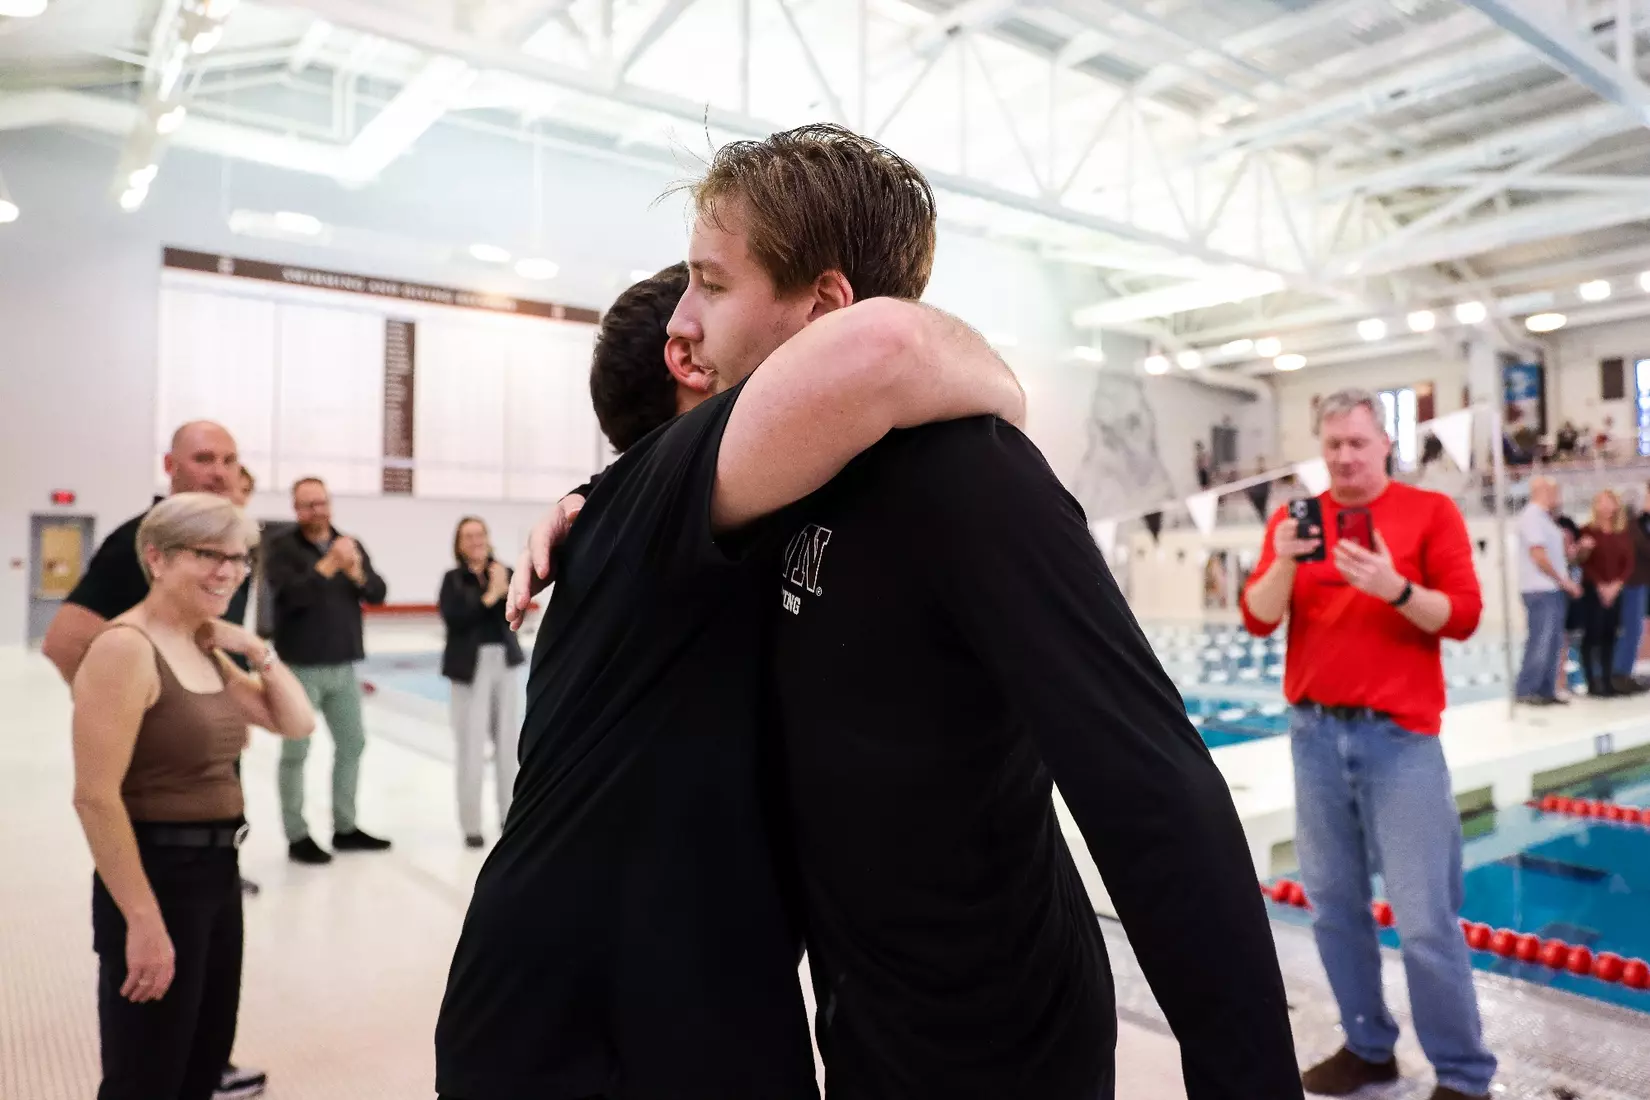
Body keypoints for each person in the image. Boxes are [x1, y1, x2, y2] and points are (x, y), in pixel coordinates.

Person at [506, 126, 1299, 1099]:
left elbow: (1147, 780)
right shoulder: (772, 496)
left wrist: (1246, 1077)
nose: (685, 320)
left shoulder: (968, 475)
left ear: (827, 308)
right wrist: (605, 498)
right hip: (861, 1021)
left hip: (1002, 1040)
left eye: (711, 283)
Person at [435, 218, 1026, 1097]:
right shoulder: (657, 491)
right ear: (687, 359)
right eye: (716, 293)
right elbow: (892, 347)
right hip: (593, 992)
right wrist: (1003, 421)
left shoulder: (650, 515)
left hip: (662, 962)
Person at [1242, 388, 1494, 1100]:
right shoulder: (1296, 520)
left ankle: (1465, 1076)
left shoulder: (1430, 513)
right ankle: (1368, 1048)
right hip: (1314, 737)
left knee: (1423, 919)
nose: (1345, 457)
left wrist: (1395, 587)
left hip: (1401, 743)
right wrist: (1285, 561)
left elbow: (1466, 618)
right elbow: (1258, 619)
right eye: (1333, 446)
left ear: (1386, 443)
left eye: (1358, 442)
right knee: (1333, 906)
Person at [40, 421, 273, 1100]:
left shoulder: (227, 541)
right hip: (156, 830)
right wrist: (152, 723)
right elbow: (64, 642)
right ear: (170, 465)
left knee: (197, 1024)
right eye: (204, 459)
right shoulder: (144, 539)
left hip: (212, 836)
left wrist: (212, 709)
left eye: (230, 459)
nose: (220, 470)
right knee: (149, 1053)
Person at [70, 493, 314, 1100]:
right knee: (147, 1073)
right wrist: (143, 919)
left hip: (216, 873)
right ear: (157, 557)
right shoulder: (125, 648)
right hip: (156, 875)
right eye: (210, 555)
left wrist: (255, 649)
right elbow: (95, 797)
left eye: (239, 559)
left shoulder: (203, 644)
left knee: (201, 1064)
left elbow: (295, 722)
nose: (228, 572)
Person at [263, 477, 390, 864]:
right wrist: (328, 566)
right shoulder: (281, 548)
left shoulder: (349, 543)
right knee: (295, 752)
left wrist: (355, 573)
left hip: (343, 665)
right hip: (299, 667)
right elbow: (289, 598)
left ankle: (345, 827)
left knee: (352, 745)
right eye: (307, 505)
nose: (316, 511)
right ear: (295, 508)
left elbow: (379, 593)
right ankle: (297, 834)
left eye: (321, 503)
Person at [438, 517, 524, 849]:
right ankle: (471, 823)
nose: (475, 540)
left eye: (480, 534)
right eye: (468, 536)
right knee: (471, 748)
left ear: (488, 538)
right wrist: (491, 595)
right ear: (459, 544)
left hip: (503, 660)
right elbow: (456, 619)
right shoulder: (452, 580)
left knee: (508, 746)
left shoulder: (504, 571)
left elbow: (517, 614)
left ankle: (510, 815)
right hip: (468, 667)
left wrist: (505, 591)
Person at [1514, 477, 1580, 706]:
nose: (1558, 495)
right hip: (1540, 589)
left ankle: (1545, 689)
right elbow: (1539, 556)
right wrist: (1564, 581)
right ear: (1544, 491)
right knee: (1541, 640)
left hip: (1551, 588)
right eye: (1555, 490)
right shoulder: (1532, 517)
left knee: (1553, 642)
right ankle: (1527, 689)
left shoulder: (1545, 518)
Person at [1576, 489, 1633, 698]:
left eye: (1610, 502)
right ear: (1596, 506)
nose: (1606, 506)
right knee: (1593, 635)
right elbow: (1585, 564)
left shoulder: (1622, 533)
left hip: (1615, 591)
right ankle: (1592, 682)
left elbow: (1628, 563)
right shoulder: (1587, 531)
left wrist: (1616, 585)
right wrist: (1601, 585)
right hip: (1594, 591)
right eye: (1602, 502)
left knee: (1610, 635)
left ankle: (1608, 681)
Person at [1610, 483, 1650, 693]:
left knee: (1634, 629)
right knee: (1632, 629)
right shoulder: (1632, 526)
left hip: (1637, 582)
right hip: (1632, 583)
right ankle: (1620, 673)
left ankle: (1624, 671)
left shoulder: (1636, 525)